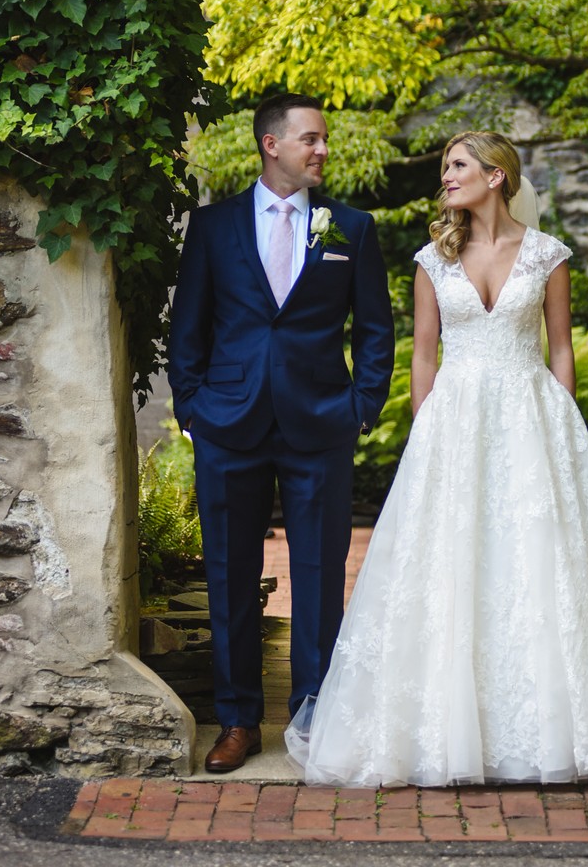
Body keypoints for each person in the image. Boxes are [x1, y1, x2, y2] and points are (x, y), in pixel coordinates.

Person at [286, 131, 588, 787]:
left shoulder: (546, 256)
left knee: (537, 569)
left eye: (456, 167)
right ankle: (445, 735)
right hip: (453, 425)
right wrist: (423, 434)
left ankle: (552, 732)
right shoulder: (432, 259)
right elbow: (424, 354)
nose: (445, 177)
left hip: (530, 418)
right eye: (446, 168)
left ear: (496, 176)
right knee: (450, 567)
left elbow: (559, 348)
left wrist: (563, 428)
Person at [167, 92, 395, 773]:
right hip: (227, 423)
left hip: (320, 423)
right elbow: (189, 328)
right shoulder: (212, 228)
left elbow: (376, 329)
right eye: (311, 139)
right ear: (272, 144)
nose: (322, 149)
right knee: (230, 574)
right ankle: (237, 721)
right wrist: (191, 408)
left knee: (321, 575)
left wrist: (362, 406)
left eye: (323, 139)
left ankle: (312, 718)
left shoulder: (350, 228)